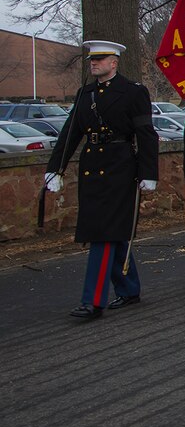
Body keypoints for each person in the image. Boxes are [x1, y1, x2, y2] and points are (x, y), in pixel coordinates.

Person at [45, 40, 158, 319]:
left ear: (114, 62)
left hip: (120, 168)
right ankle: (129, 288)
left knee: (102, 234)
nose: (94, 63)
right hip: (92, 167)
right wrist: (55, 168)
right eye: (92, 60)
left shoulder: (133, 92)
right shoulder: (85, 94)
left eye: (100, 59)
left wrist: (149, 173)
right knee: (113, 232)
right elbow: (71, 133)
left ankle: (92, 300)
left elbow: (146, 134)